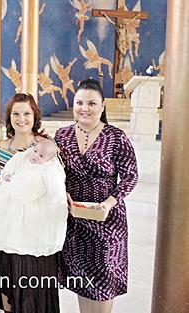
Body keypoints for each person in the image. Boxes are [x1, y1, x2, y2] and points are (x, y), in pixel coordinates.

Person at [54, 78, 138, 313]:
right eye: (79, 102)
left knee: (103, 283)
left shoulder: (116, 136)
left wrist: (109, 203)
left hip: (107, 221)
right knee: (83, 281)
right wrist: (63, 193)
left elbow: (130, 176)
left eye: (92, 103)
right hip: (75, 219)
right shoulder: (62, 135)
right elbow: (54, 173)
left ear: (102, 106)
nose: (85, 108)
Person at [0, 92, 64, 313]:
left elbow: (56, 183)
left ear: (35, 116)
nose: (21, 119)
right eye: (16, 114)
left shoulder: (46, 147)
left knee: (34, 292)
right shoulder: (0, 146)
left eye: (26, 113)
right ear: (9, 117)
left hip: (35, 232)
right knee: (7, 289)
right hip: (6, 229)